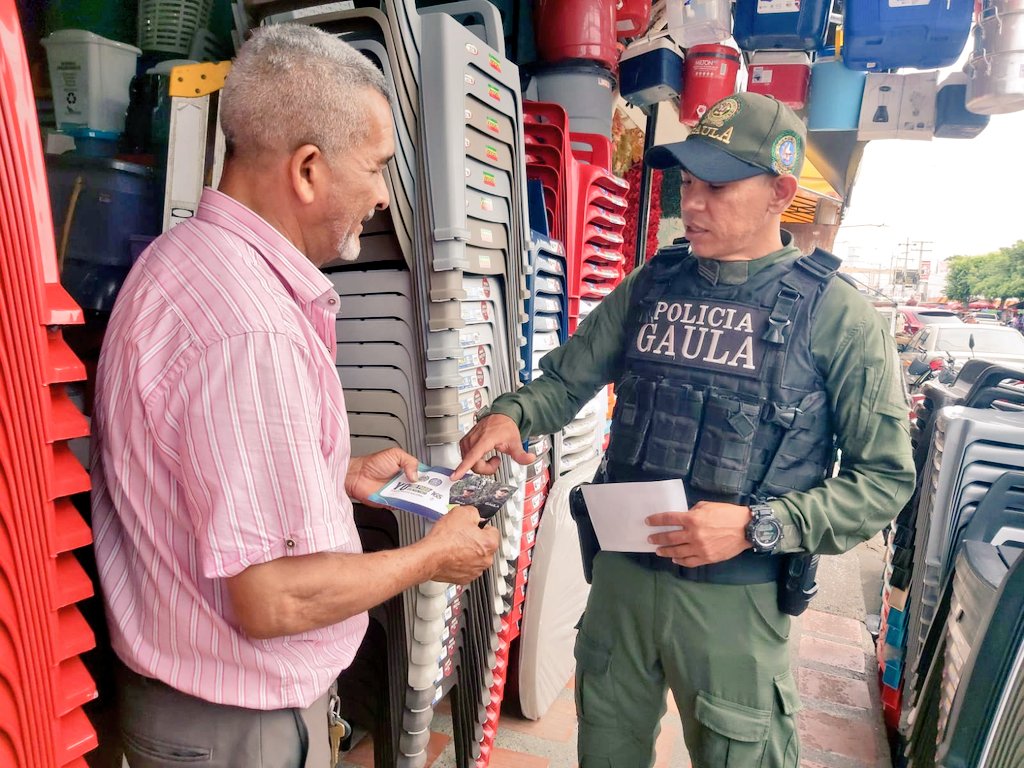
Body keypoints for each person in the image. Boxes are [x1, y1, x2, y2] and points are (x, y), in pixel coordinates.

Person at [455, 92, 916, 767]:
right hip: (622, 582)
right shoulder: (653, 283)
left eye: (718, 186)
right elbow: (564, 381)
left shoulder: (840, 317)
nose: (692, 203)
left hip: (735, 601)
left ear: (778, 192)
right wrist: (511, 414)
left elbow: (883, 482)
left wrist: (759, 525)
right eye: (689, 183)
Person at [90, 25, 499, 768]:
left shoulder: (180, 261)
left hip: (196, 711)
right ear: (308, 169)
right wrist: (433, 556)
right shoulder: (252, 331)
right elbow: (275, 599)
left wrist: (332, 472)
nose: (381, 194)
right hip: (235, 730)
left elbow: (192, 466)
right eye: (375, 167)